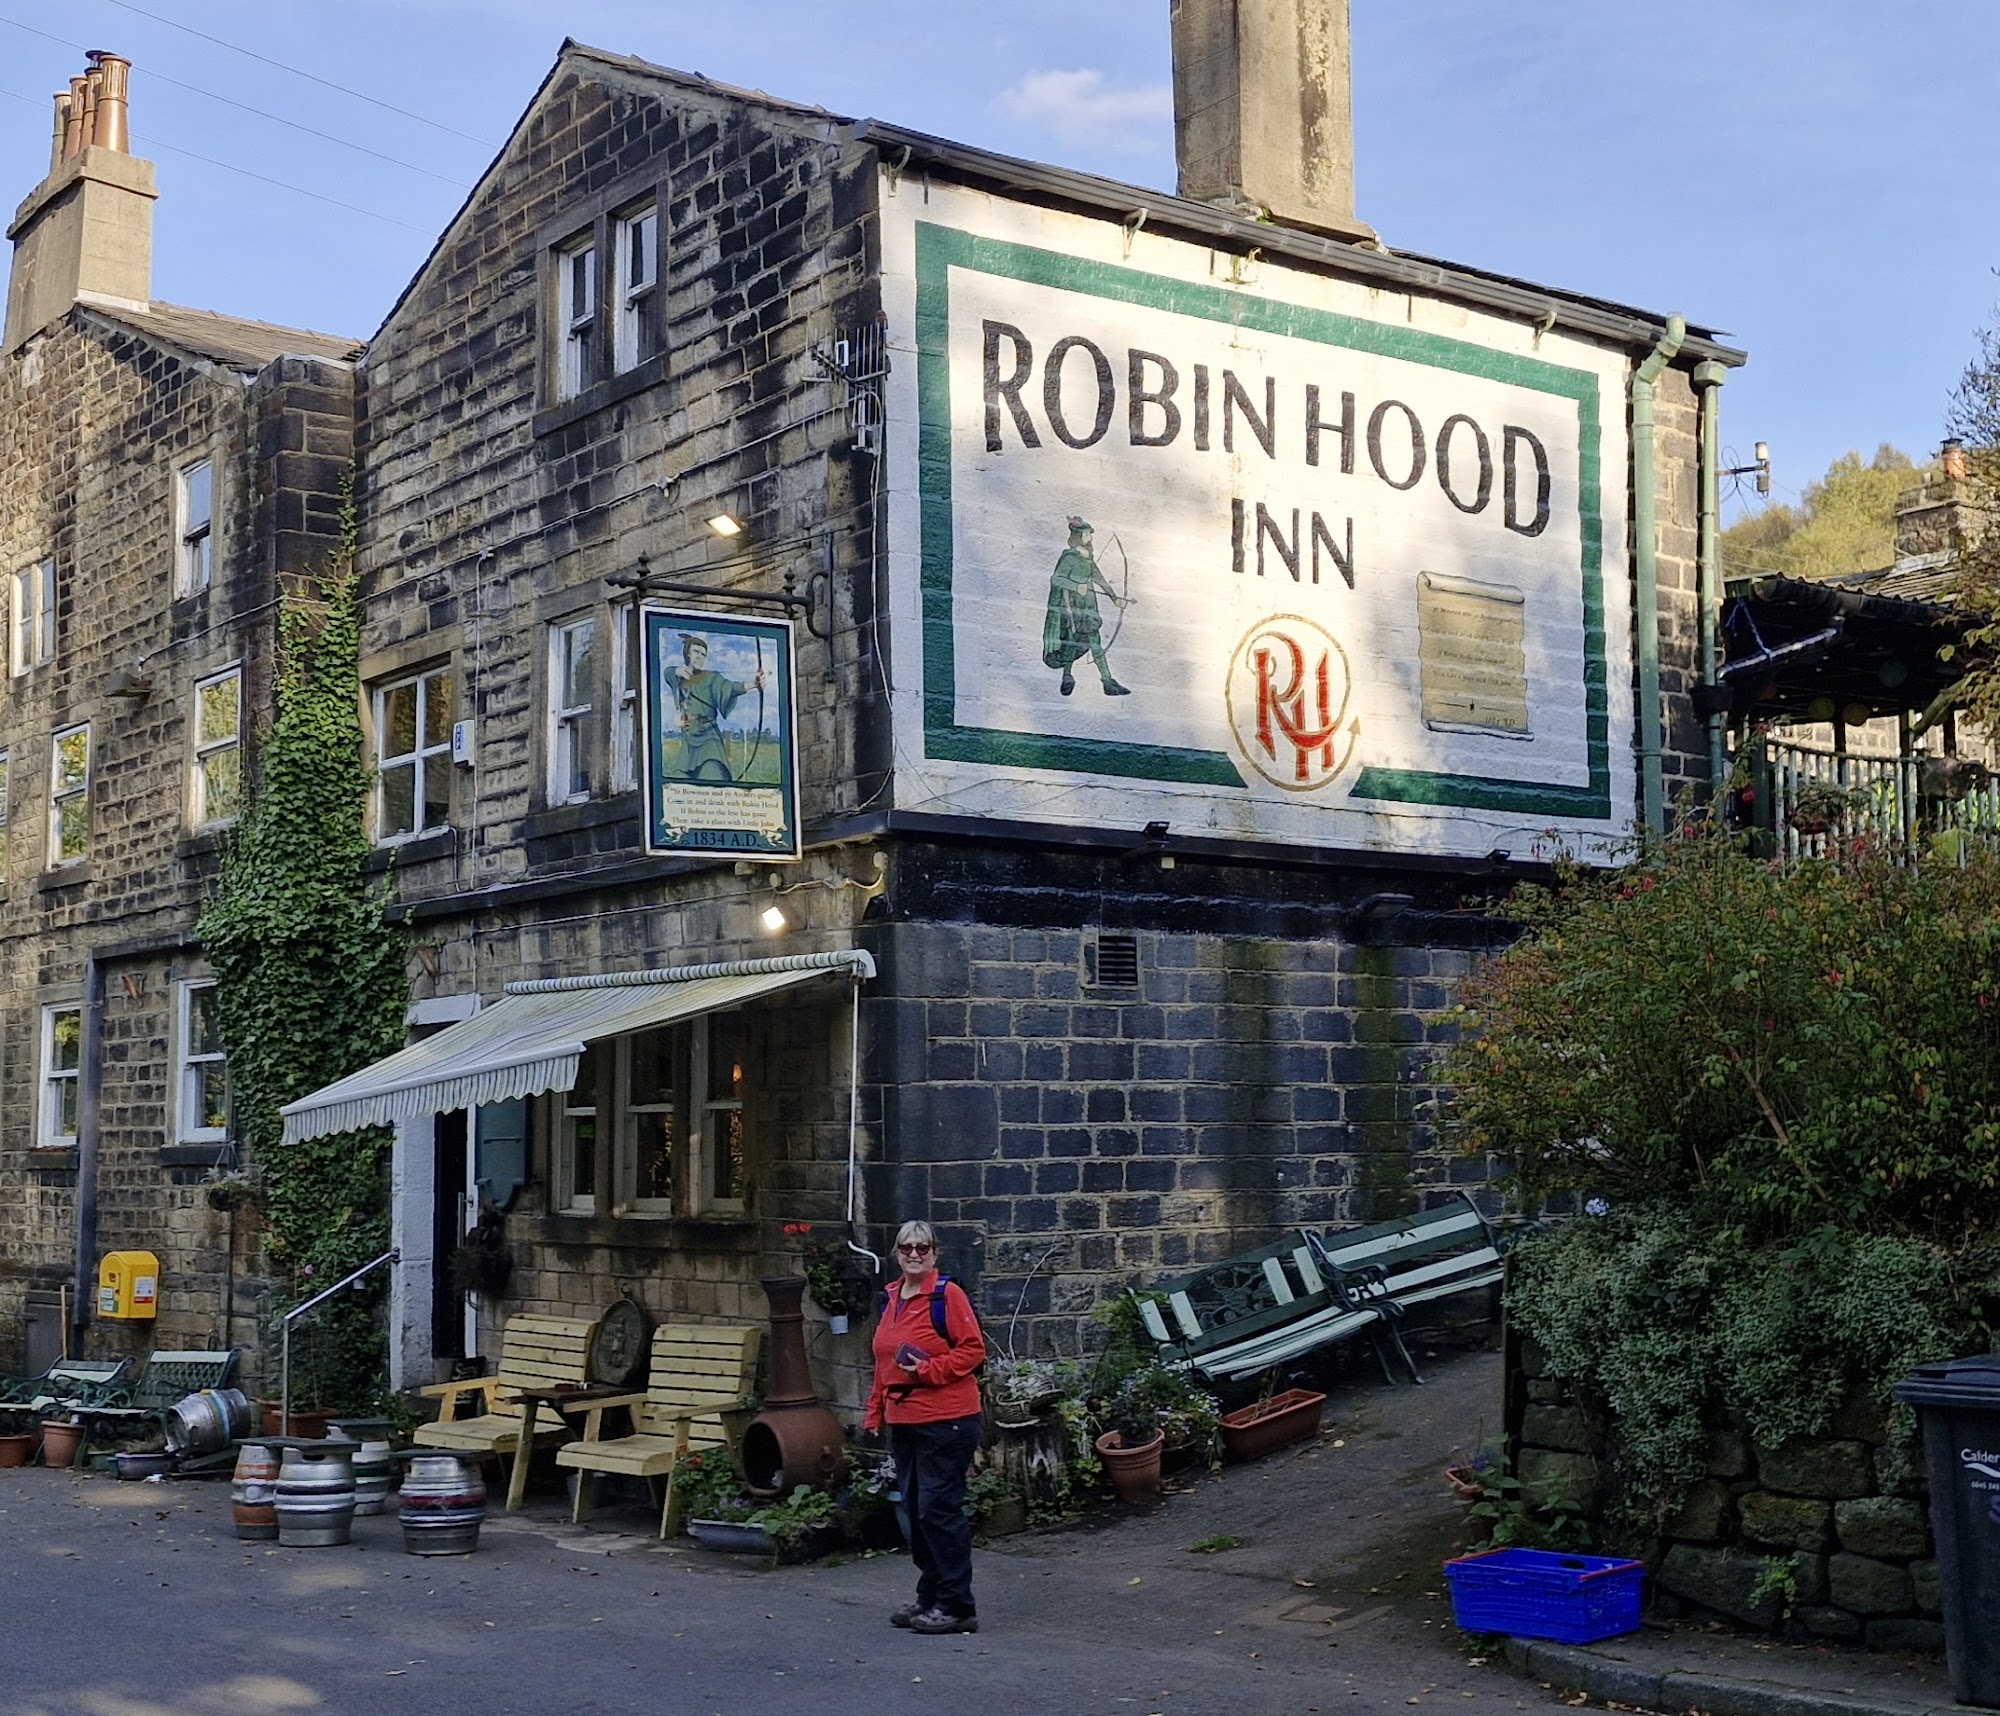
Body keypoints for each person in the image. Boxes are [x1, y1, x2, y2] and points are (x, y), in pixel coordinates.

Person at [862, 1219, 986, 1634]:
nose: (914, 1254)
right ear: (895, 1253)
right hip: (906, 1422)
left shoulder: (946, 1295)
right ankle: (930, 1596)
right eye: (906, 1247)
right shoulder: (892, 1296)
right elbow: (884, 1361)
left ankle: (957, 1605)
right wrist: (875, 1410)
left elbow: (973, 1351)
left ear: (935, 1253)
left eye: (923, 1247)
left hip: (948, 1421)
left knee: (938, 1509)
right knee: (916, 1512)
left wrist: (930, 1370)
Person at [1041, 515, 1132, 697]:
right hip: (1071, 607)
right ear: (1078, 536)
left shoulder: (1087, 559)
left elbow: (1099, 579)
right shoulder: (1070, 557)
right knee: (1071, 642)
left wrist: (1114, 598)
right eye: (1087, 535)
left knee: (1095, 642)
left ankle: (1107, 681)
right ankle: (1068, 675)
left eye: (1090, 535)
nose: (1090, 538)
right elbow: (1056, 579)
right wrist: (1076, 586)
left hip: (1088, 607)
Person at [668, 634, 766, 781]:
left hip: (709, 738)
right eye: (696, 652)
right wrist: (677, 671)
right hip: (689, 740)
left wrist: (754, 684)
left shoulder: (712, 677)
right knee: (679, 781)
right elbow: (667, 673)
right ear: (688, 653)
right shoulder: (679, 677)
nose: (700, 657)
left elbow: (730, 688)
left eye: (703, 654)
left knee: (711, 775)